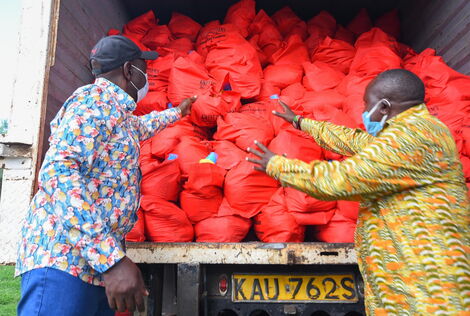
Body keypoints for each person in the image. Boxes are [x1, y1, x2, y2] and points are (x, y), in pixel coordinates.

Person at [247, 69, 470, 315]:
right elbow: (354, 141)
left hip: (427, 286)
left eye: (367, 104)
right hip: (411, 278)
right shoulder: (416, 129)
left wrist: (278, 165)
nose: (365, 111)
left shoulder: (410, 138)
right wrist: (301, 122)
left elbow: (343, 180)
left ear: (384, 106)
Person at [15, 35, 197, 315]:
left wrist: (177, 112)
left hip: (92, 265)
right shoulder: (92, 103)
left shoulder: (117, 114)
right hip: (65, 262)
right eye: (142, 69)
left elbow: (141, 126)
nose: (145, 77)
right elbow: (58, 174)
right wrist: (111, 259)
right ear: (128, 70)